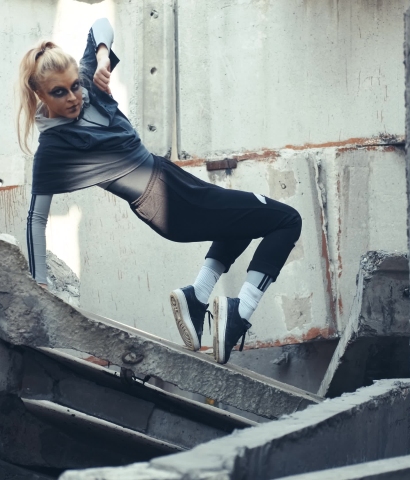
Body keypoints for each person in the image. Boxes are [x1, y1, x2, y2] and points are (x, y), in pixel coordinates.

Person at [17, 18, 302, 364]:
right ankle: (239, 314)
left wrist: (103, 59)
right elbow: (36, 217)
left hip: (172, 182)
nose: (74, 97)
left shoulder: (89, 84)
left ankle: (196, 298)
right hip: (167, 203)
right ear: (39, 94)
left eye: (74, 86)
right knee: (288, 220)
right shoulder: (54, 146)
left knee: (242, 220)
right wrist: (41, 285)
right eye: (59, 93)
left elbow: (101, 26)